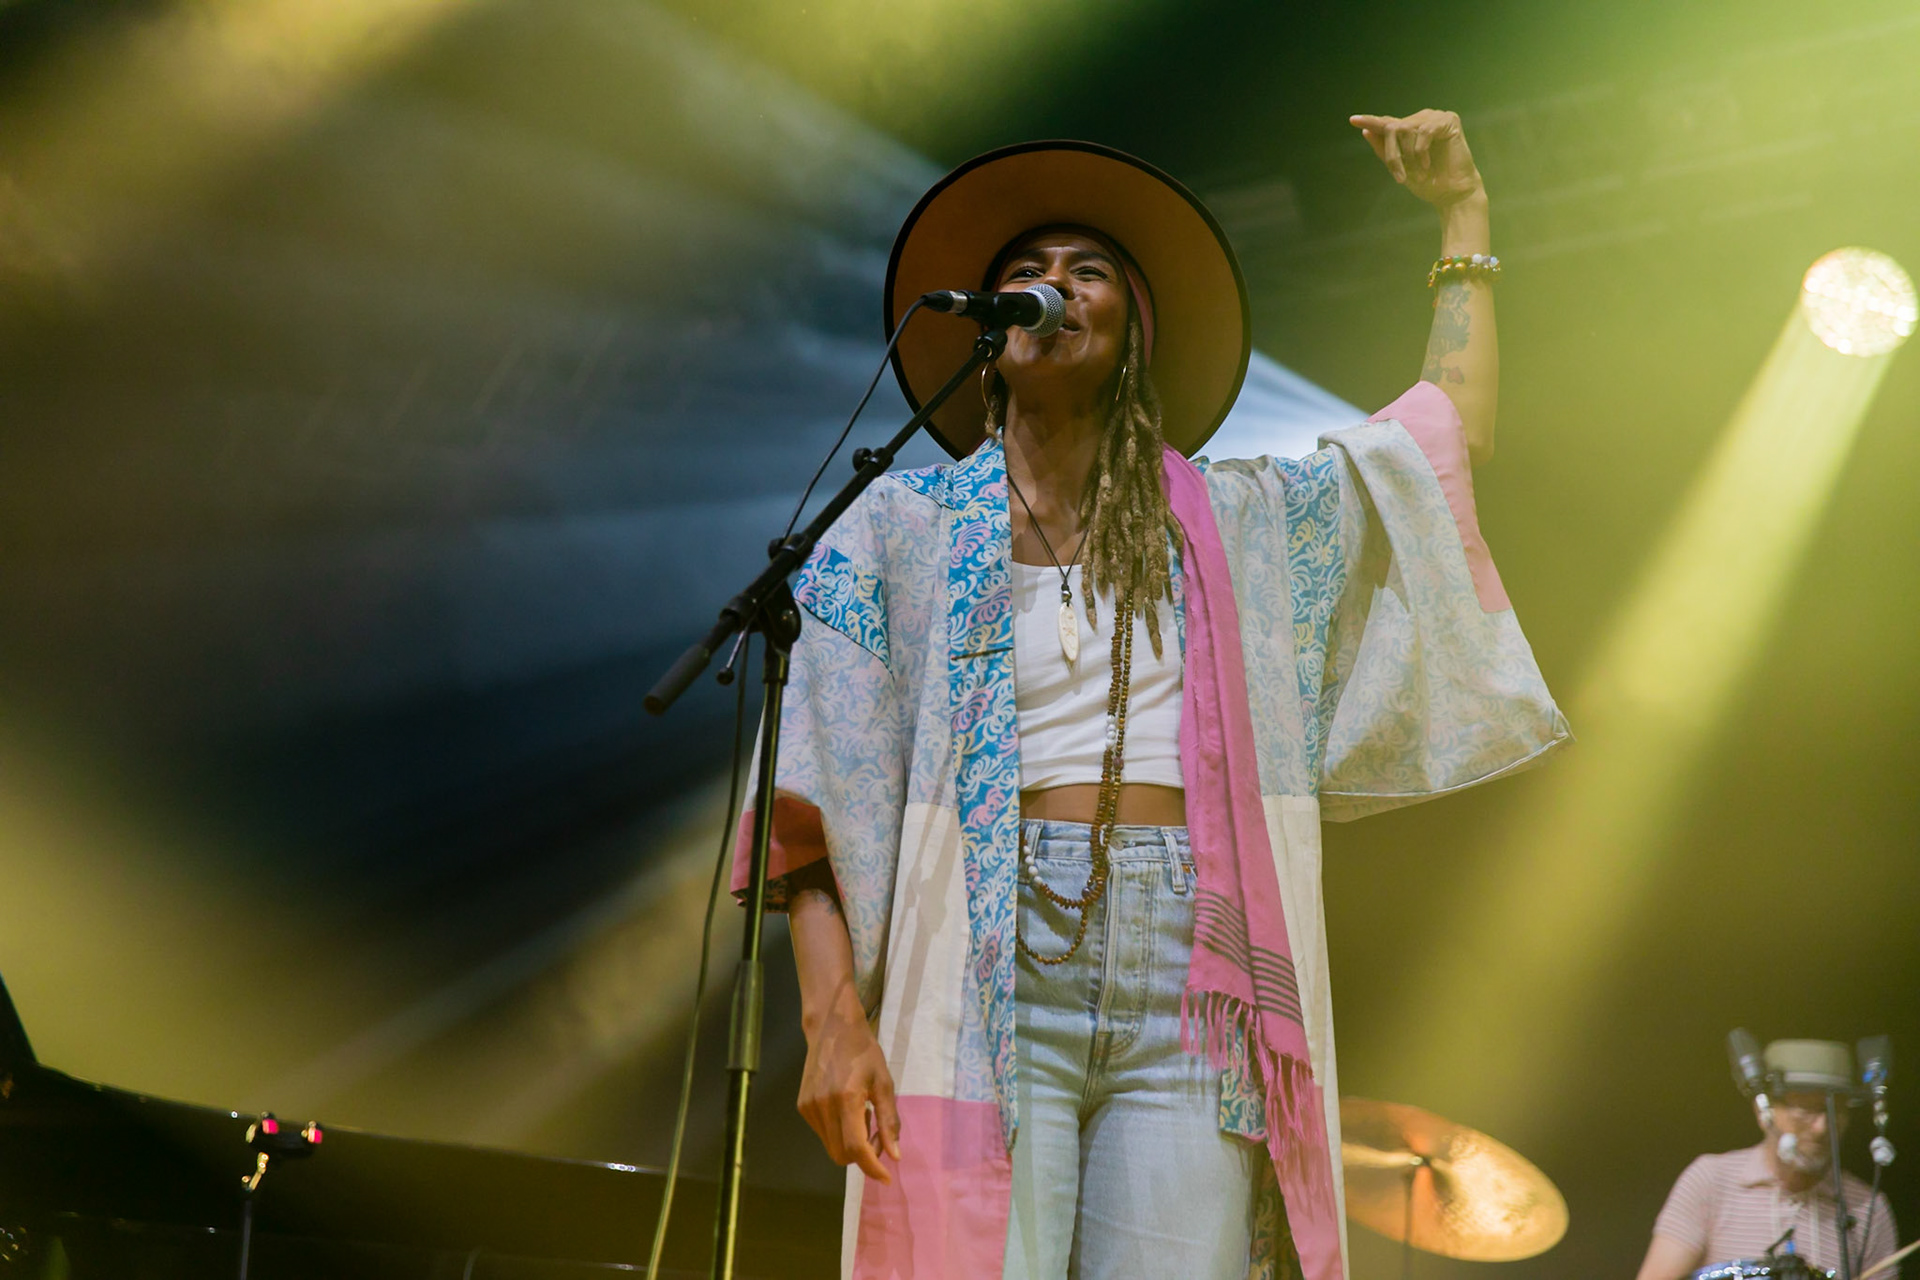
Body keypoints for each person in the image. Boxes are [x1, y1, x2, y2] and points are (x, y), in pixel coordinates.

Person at [733, 115, 1569, 1280]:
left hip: (1192, 970)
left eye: (1087, 271)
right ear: (989, 336)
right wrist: (832, 1023)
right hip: (984, 953)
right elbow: (814, 807)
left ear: (1136, 331)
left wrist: (1462, 219)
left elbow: (1436, 446)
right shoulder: (901, 526)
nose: (1052, 286)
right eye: (1026, 272)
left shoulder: (1240, 518)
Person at [1636, 1040, 1900, 1280]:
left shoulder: (1869, 1208)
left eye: (1834, 1111)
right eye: (1805, 1109)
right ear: (1763, 1112)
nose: (1821, 1127)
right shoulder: (1711, 1180)